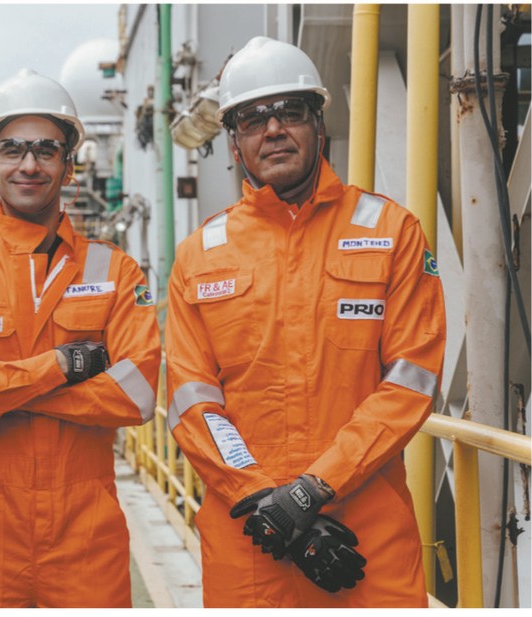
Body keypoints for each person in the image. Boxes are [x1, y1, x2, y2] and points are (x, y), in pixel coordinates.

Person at [165, 36, 446, 608]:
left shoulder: (391, 232)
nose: (272, 130)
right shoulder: (200, 254)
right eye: (252, 119)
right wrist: (265, 498)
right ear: (233, 142)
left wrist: (315, 488)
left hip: (367, 531)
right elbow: (193, 400)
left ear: (318, 124)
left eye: (289, 112)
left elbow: (410, 380)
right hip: (250, 536)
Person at [0, 68, 161, 608]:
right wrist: (63, 365)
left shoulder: (116, 271)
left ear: (69, 166)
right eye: (12, 149)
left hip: (86, 534)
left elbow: (136, 395)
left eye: (46, 149)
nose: (29, 164)